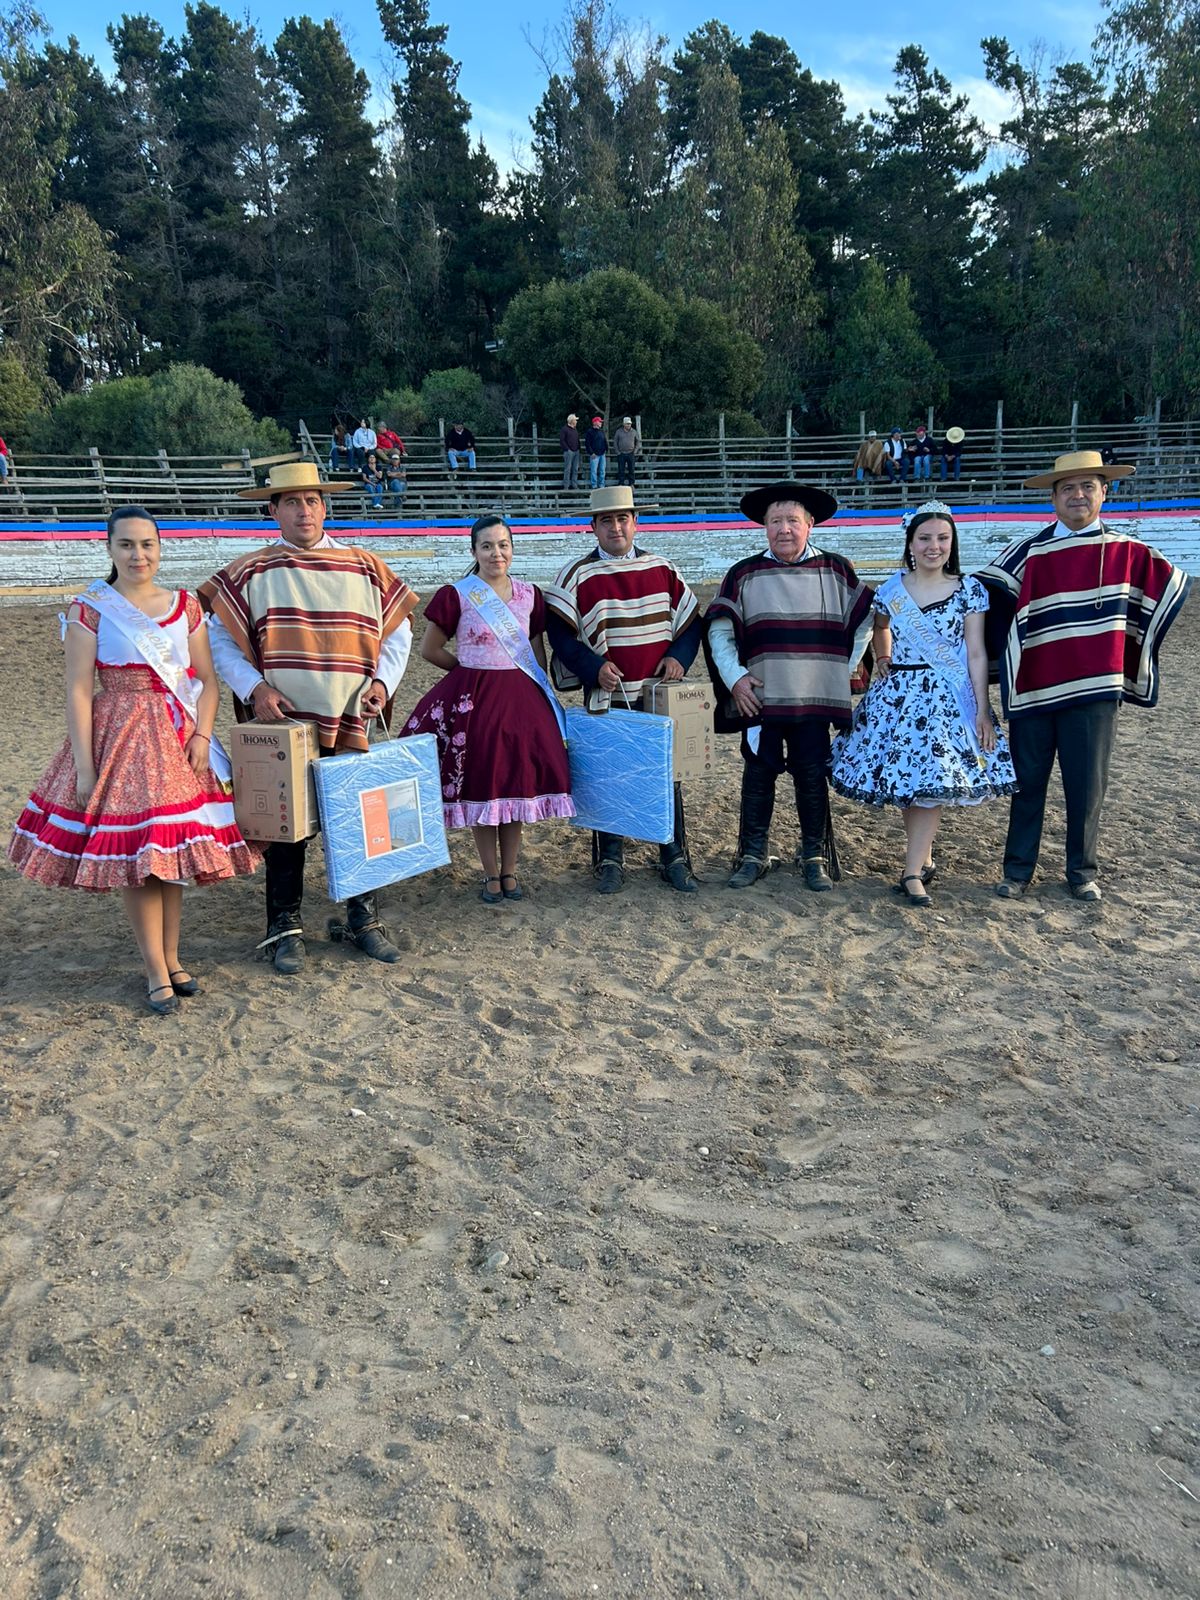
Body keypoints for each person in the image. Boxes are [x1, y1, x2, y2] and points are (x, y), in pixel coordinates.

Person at [8, 507, 259, 1013]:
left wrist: (202, 735)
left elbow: (207, 682)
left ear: (160, 548)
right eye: (126, 544)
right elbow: (79, 691)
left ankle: (172, 958)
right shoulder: (90, 609)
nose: (137, 554)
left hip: (178, 741)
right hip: (119, 741)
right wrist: (85, 768)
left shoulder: (185, 606)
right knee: (141, 860)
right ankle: (154, 969)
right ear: (109, 548)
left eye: (147, 544)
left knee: (169, 856)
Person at [199, 462, 419, 972]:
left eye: (313, 500)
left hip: (351, 714)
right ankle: (285, 926)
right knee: (286, 824)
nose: (304, 510)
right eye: (292, 501)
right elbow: (218, 638)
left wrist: (383, 684)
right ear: (273, 509)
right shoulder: (250, 571)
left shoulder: (365, 567)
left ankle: (364, 919)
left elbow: (400, 630)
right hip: (284, 721)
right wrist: (254, 688)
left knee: (360, 817)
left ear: (325, 507)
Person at [978, 450, 1190, 902]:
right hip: (1034, 687)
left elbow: (1170, 588)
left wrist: (1123, 649)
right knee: (1026, 783)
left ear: (1104, 493)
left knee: (1087, 785)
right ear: (1053, 498)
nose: (1078, 495)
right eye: (1068, 488)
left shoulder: (1128, 552)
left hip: (1095, 688)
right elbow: (988, 598)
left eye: (1087, 486)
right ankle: (1017, 870)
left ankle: (1081, 872)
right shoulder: (1030, 552)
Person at [830, 503, 1016, 905]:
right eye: (925, 538)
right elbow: (881, 626)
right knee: (910, 783)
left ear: (953, 542)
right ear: (910, 543)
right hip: (898, 697)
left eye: (943, 538)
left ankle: (912, 871)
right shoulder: (891, 590)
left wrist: (982, 709)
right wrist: (883, 656)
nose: (934, 546)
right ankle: (924, 858)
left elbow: (976, 653)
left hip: (946, 700)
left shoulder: (970, 590)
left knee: (928, 784)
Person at [704, 481, 874, 892]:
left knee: (812, 773)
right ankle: (752, 854)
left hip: (813, 696)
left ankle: (814, 855)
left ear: (809, 524)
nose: (784, 529)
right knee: (758, 772)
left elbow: (868, 618)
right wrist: (736, 679)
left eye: (792, 520)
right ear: (764, 526)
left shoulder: (835, 570)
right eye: (776, 521)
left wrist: (841, 669)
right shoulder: (743, 574)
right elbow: (719, 633)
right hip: (761, 697)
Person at [403, 515, 575, 902]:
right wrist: (466, 674)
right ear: (474, 551)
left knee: (515, 787)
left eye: (503, 545)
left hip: (522, 703)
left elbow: (535, 648)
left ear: (512, 549)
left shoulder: (530, 595)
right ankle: (490, 873)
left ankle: (510, 870)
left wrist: (541, 691)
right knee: (484, 787)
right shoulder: (456, 595)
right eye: (487, 546)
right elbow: (430, 649)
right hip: (476, 704)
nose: (496, 553)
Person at [545, 485, 702, 894]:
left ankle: (673, 855)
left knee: (665, 774)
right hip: (607, 692)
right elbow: (559, 635)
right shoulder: (577, 575)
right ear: (593, 526)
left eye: (622, 519)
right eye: (606, 521)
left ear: (635, 523)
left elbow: (691, 624)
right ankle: (611, 859)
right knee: (609, 774)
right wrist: (593, 668)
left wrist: (679, 658)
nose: (615, 527)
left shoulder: (663, 569)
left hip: (656, 694)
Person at [613, 416, 639, 487]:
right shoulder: (618, 432)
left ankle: (631, 484)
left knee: (631, 469)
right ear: (624, 424)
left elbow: (637, 442)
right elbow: (615, 442)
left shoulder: (634, 432)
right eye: (627, 424)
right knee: (621, 469)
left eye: (629, 424)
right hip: (621, 453)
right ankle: (621, 483)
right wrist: (618, 452)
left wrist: (635, 451)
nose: (629, 425)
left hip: (631, 453)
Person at [585, 415, 608, 488]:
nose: (601, 423)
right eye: (600, 422)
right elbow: (587, 444)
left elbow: (604, 441)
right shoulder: (589, 432)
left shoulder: (601, 431)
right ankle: (594, 485)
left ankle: (601, 484)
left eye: (601, 422)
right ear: (595, 422)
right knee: (594, 471)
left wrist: (606, 449)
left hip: (602, 454)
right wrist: (591, 453)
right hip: (594, 455)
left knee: (602, 471)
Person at [560, 413, 581, 490]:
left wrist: (578, 448)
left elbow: (577, 440)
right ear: (572, 421)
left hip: (576, 451)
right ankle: (566, 485)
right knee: (568, 469)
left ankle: (574, 484)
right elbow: (562, 441)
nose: (576, 422)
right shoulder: (564, 429)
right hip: (569, 452)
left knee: (575, 469)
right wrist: (567, 449)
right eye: (575, 420)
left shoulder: (575, 430)